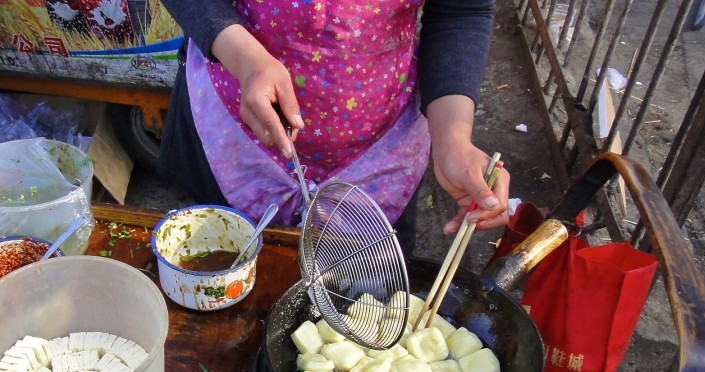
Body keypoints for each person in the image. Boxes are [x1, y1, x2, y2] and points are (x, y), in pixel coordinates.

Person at [158, 0, 511, 255]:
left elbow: (459, 13)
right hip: (236, 116)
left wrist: (453, 139)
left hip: (379, 146)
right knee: (222, 265)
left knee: (364, 304)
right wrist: (244, 58)